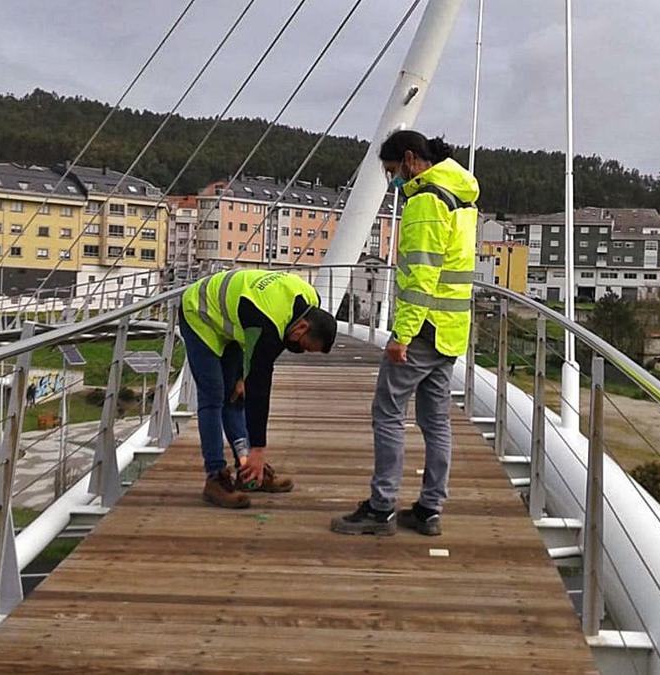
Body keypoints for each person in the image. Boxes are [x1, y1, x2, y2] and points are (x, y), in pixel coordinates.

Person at [332, 130, 478, 537]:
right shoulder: (462, 197)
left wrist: (402, 335)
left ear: (411, 160)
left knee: (389, 414)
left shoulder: (427, 201)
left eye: (393, 171)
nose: (393, 181)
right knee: (436, 422)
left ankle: (381, 509)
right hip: (451, 329)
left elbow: (421, 277)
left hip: (423, 329)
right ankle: (430, 508)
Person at [181, 269, 337, 509]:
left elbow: (259, 364)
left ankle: (247, 472)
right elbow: (260, 387)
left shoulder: (311, 300)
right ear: (302, 327)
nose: (300, 350)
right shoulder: (266, 323)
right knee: (213, 396)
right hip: (201, 312)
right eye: (303, 346)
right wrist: (258, 448)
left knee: (235, 395)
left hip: (235, 317)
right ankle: (215, 477)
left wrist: (243, 377)